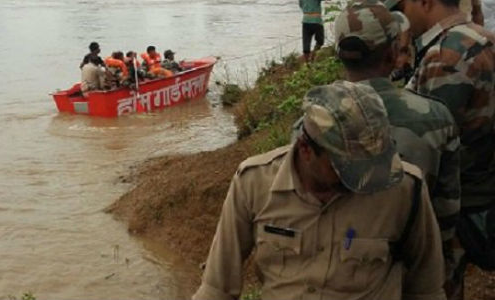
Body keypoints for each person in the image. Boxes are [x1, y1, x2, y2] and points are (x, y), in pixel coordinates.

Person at [192, 80, 446, 300]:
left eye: (372, 163)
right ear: (306, 149)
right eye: (349, 167)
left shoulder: (404, 188)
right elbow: (217, 288)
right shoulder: (253, 182)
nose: (364, 178)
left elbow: (427, 289)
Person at [335, 0, 461, 286]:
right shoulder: (437, 117)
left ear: (339, 55)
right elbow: (447, 209)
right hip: (419, 269)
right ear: (394, 54)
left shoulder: (312, 124)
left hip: (349, 273)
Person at [398, 0, 495, 296]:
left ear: (424, 2)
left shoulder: (446, 56)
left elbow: (429, 147)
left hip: (462, 204)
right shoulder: (485, 37)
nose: (401, 16)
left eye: (403, 6)